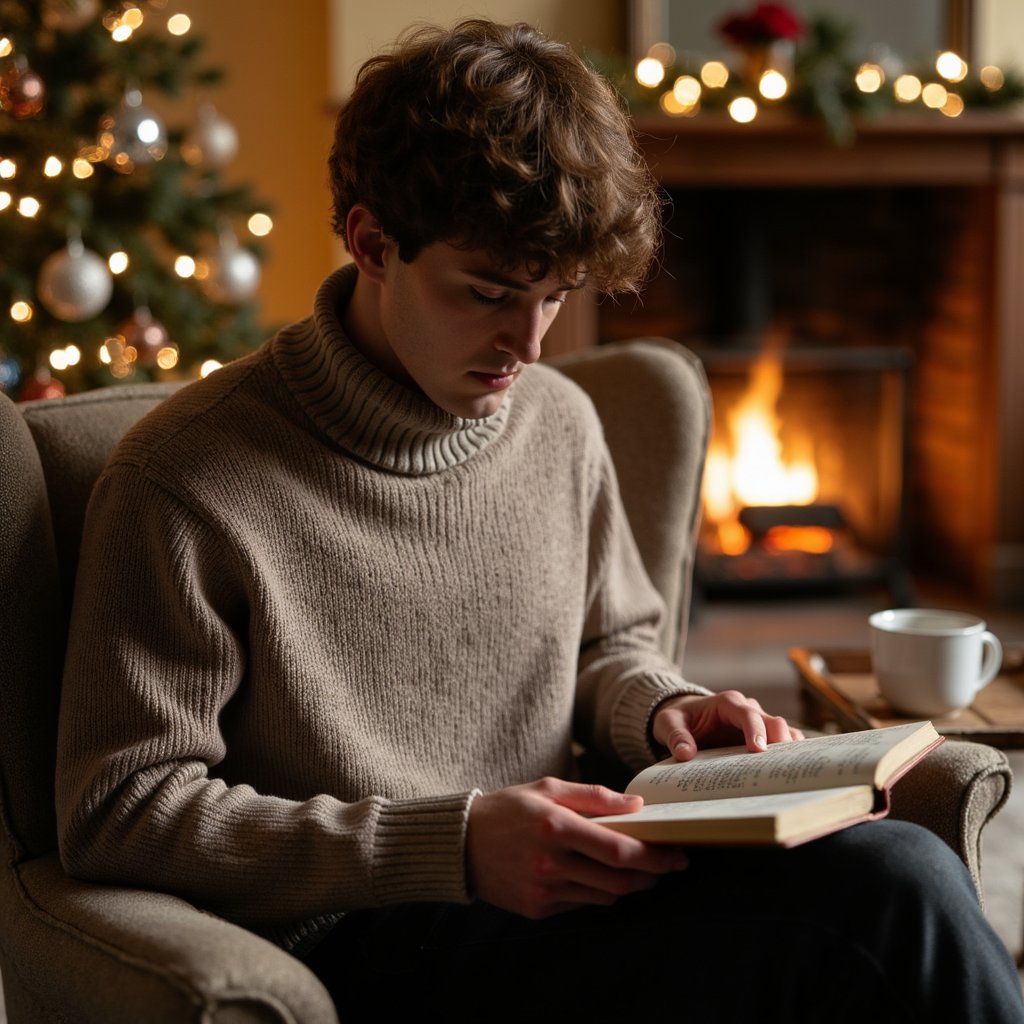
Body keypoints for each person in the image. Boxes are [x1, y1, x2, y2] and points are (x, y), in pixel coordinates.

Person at [56, 18, 1023, 1022]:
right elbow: (119, 811)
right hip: (356, 924)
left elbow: (608, 643)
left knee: (894, 873)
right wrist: (457, 844)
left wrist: (661, 710)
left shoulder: (557, 422)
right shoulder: (185, 478)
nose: (526, 342)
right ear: (371, 240)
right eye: (488, 293)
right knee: (872, 922)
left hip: (568, 874)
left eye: (555, 297)